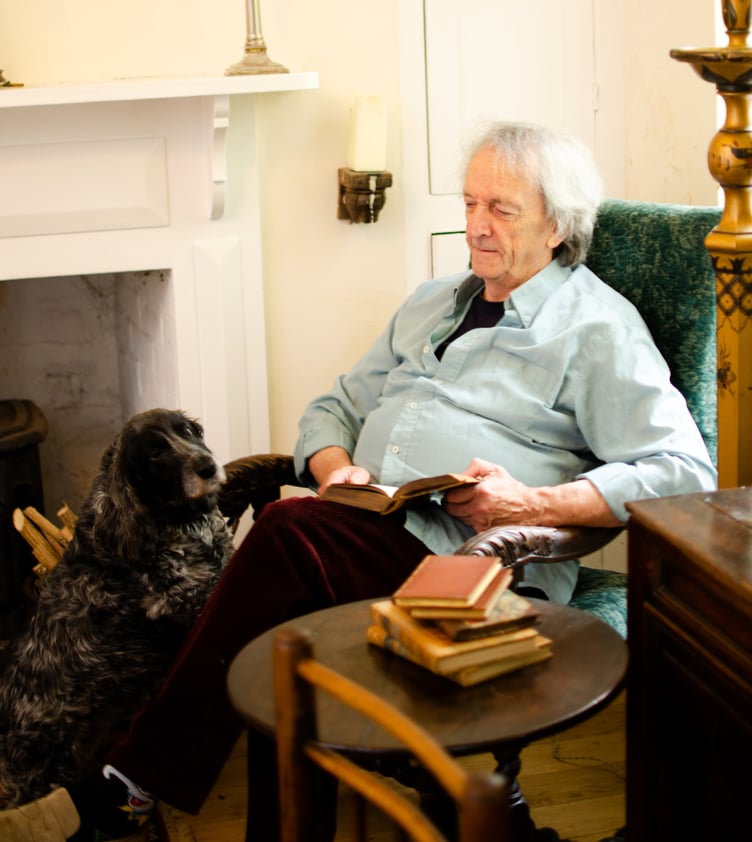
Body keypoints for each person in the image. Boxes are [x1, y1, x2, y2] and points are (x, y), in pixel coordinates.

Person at [59, 121, 715, 840]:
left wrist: (528, 501)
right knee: (285, 618)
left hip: (474, 570)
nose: (476, 227)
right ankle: (176, 796)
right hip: (365, 531)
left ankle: (130, 782)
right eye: (469, 204)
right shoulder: (435, 300)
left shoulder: (596, 329)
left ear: (557, 226)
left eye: (501, 209)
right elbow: (332, 407)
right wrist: (336, 470)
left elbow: (681, 470)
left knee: (283, 533)